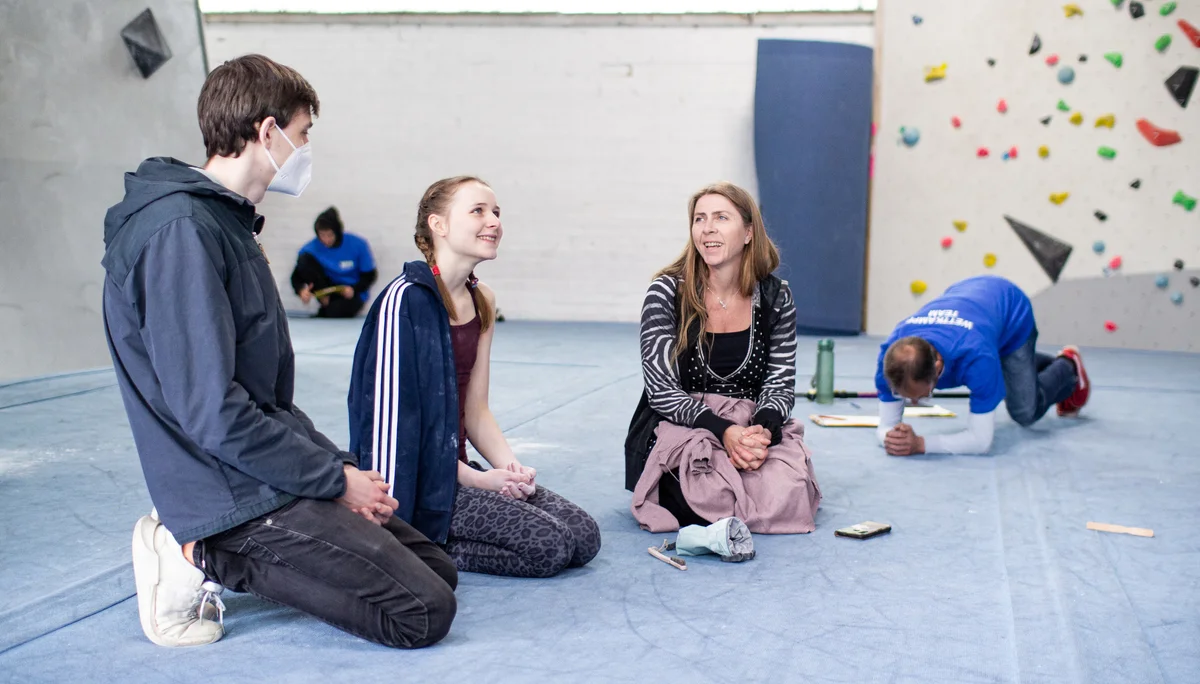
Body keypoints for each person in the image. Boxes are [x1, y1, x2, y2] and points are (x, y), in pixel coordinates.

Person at [101, 54, 456, 649]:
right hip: (228, 492)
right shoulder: (180, 233)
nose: (306, 148)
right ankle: (195, 551)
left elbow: (264, 398)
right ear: (267, 132)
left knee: (440, 571)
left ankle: (227, 539)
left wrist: (338, 466)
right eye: (302, 133)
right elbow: (212, 412)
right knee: (421, 612)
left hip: (263, 468)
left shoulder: (225, 224)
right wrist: (333, 483)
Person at [347, 176, 601, 578]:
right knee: (549, 546)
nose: (494, 222)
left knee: (584, 536)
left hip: (458, 468)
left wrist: (510, 470)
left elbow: (475, 409)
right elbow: (393, 429)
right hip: (419, 484)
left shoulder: (483, 299)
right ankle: (426, 544)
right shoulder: (405, 301)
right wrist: (475, 480)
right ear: (439, 225)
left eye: (497, 212)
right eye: (478, 211)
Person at [624, 182, 821, 533]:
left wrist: (761, 430)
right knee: (696, 493)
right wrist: (723, 431)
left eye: (720, 217)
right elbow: (660, 390)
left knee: (790, 491)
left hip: (749, 423)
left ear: (748, 233)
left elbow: (780, 383)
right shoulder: (667, 291)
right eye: (699, 219)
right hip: (682, 422)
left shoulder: (777, 297)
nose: (708, 228)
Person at [873, 275, 1090, 456]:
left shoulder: (977, 358)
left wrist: (920, 444)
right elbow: (885, 426)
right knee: (1010, 373)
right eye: (901, 394)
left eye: (921, 395)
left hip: (1011, 311)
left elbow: (980, 442)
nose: (911, 403)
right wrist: (891, 438)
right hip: (970, 301)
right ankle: (1017, 370)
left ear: (938, 367)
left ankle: (1068, 367)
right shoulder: (891, 358)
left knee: (1024, 412)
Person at [290, 206, 377, 318]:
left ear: (337, 232)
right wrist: (301, 290)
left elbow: (370, 275)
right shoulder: (310, 248)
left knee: (336, 311)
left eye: (330, 235)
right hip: (326, 288)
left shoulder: (358, 244)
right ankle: (325, 302)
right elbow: (296, 276)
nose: (326, 240)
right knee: (305, 260)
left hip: (351, 291)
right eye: (322, 235)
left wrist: (354, 289)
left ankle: (327, 309)